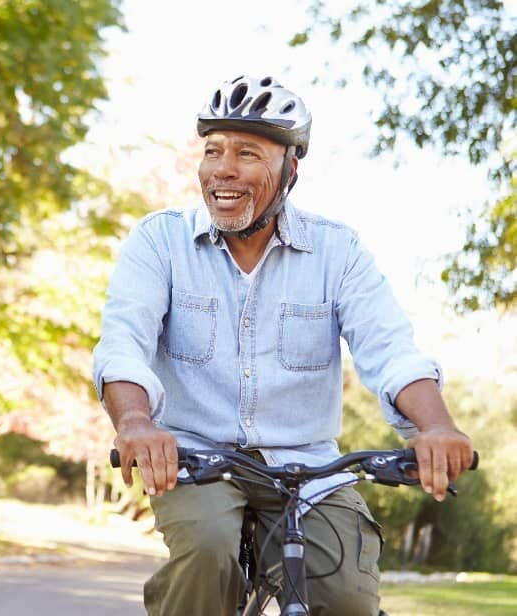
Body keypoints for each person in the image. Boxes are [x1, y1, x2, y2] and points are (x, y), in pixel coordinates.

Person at [92, 75, 474, 615]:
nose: (222, 169)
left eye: (247, 153)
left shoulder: (336, 251)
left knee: (347, 596)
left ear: (290, 168)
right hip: (198, 460)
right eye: (213, 151)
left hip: (307, 466)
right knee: (205, 554)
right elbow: (123, 344)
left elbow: (391, 350)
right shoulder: (160, 242)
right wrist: (135, 423)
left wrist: (434, 426)